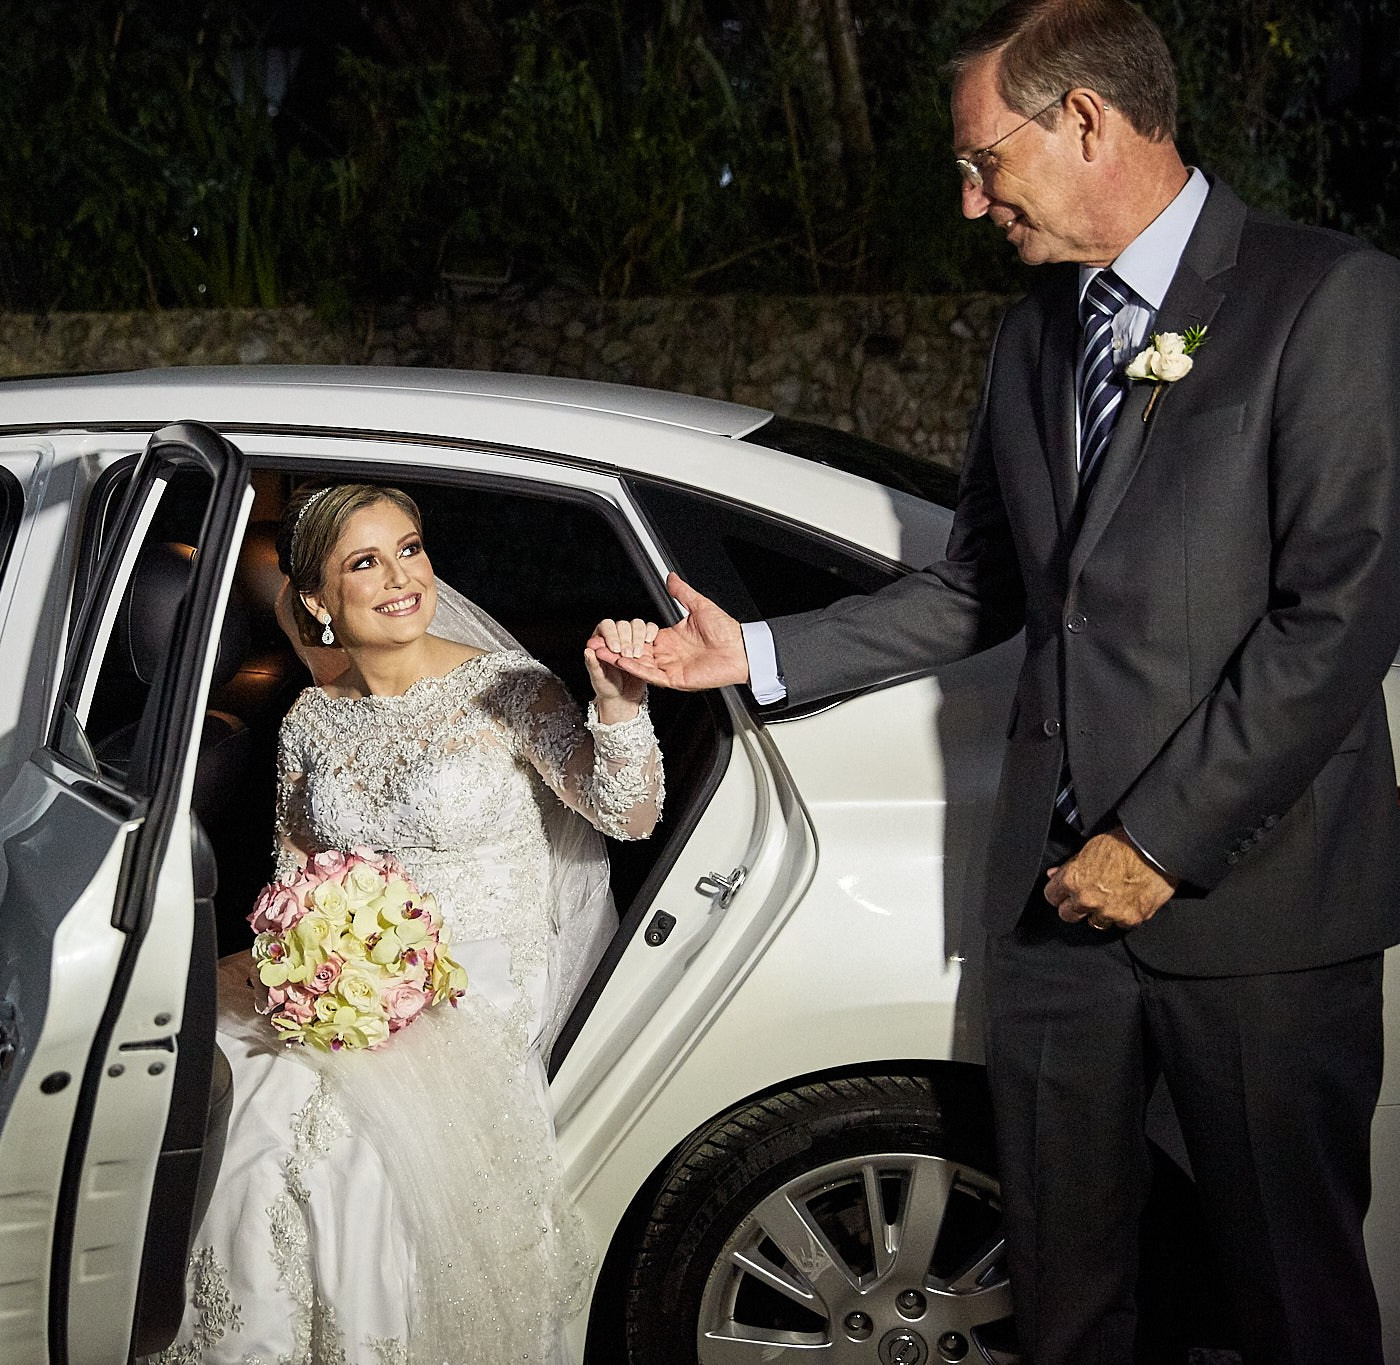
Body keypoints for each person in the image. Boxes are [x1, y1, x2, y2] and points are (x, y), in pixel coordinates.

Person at [588, 1, 1400, 1360]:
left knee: (1289, 1307)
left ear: (1084, 119)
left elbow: (1342, 613)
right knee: (1064, 1303)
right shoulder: (1034, 339)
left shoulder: (1326, 298)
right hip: (1049, 924)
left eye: (981, 161)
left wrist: (1156, 842)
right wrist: (762, 653)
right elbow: (985, 584)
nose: (970, 203)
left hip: (1258, 914)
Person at [146, 483, 664, 1365]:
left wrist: (617, 706)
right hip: (346, 974)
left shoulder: (506, 688)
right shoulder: (312, 719)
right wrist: (310, 967)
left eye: (411, 549)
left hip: (480, 975)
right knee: (222, 1087)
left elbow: (628, 813)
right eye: (365, 561)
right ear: (317, 599)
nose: (401, 577)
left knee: (340, 1145)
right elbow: (297, 872)